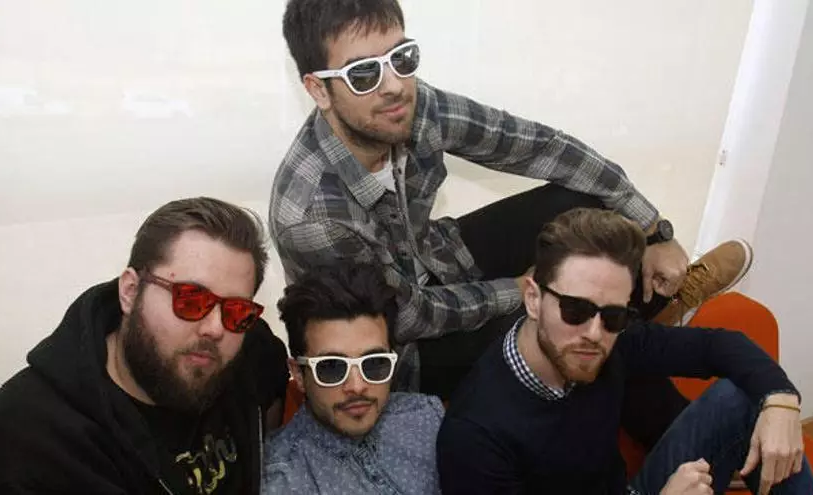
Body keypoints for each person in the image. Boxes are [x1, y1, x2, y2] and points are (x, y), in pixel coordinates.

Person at [270, 0, 752, 449]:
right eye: (363, 73)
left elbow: (541, 148)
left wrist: (652, 229)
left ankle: (645, 305)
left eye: (402, 57)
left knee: (586, 207)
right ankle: (695, 433)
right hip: (399, 349)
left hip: (433, 258)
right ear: (319, 89)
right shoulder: (312, 216)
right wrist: (519, 292)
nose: (394, 84)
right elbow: (408, 315)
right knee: (559, 323)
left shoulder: (406, 105)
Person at [435, 208, 813, 495]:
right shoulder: (475, 435)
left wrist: (782, 400)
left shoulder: (612, 340)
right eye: (575, 310)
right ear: (533, 299)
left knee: (748, 395)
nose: (594, 334)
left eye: (614, 315)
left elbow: (720, 345)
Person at [0, 198, 290, 495]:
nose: (215, 328)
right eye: (190, 300)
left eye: (236, 311)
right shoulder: (25, 447)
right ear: (130, 291)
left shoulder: (249, 349)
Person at [264, 263, 443, 494]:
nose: (357, 386)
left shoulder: (427, 417)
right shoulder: (278, 481)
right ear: (299, 373)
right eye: (331, 367)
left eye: (374, 363)